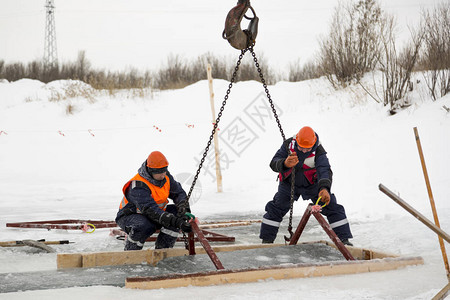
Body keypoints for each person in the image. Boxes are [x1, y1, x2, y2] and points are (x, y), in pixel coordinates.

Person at [259, 126, 353, 246]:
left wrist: (324, 188)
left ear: (313, 145)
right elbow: (273, 163)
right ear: (296, 141)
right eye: (301, 147)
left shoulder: (319, 150)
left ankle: (345, 240)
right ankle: (266, 241)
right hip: (289, 184)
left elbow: (324, 170)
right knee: (276, 208)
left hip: (312, 185)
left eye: (307, 149)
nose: (303, 151)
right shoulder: (288, 144)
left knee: (332, 207)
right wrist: (284, 163)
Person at [115, 151, 193, 251]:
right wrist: (176, 222)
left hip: (155, 215)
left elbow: (178, 193)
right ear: (151, 171)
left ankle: (163, 250)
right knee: (144, 226)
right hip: (130, 216)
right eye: (159, 172)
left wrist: (184, 208)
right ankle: (131, 252)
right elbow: (150, 210)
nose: (163, 175)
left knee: (177, 213)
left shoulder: (166, 177)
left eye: (165, 171)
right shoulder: (138, 186)